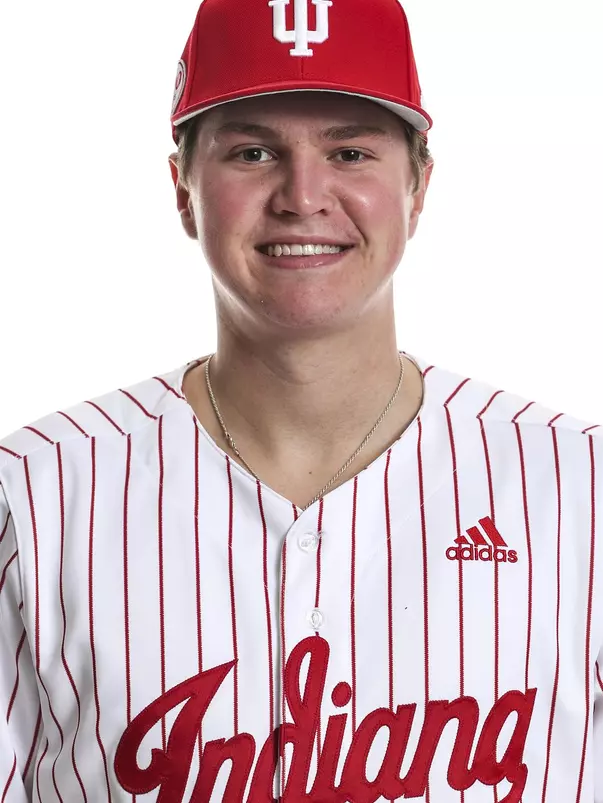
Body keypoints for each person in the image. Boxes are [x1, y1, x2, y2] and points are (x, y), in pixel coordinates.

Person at [0, 0, 601, 800]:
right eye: (252, 152)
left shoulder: (578, 486)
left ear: (418, 187)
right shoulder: (36, 494)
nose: (303, 195)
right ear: (182, 188)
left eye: (350, 151)